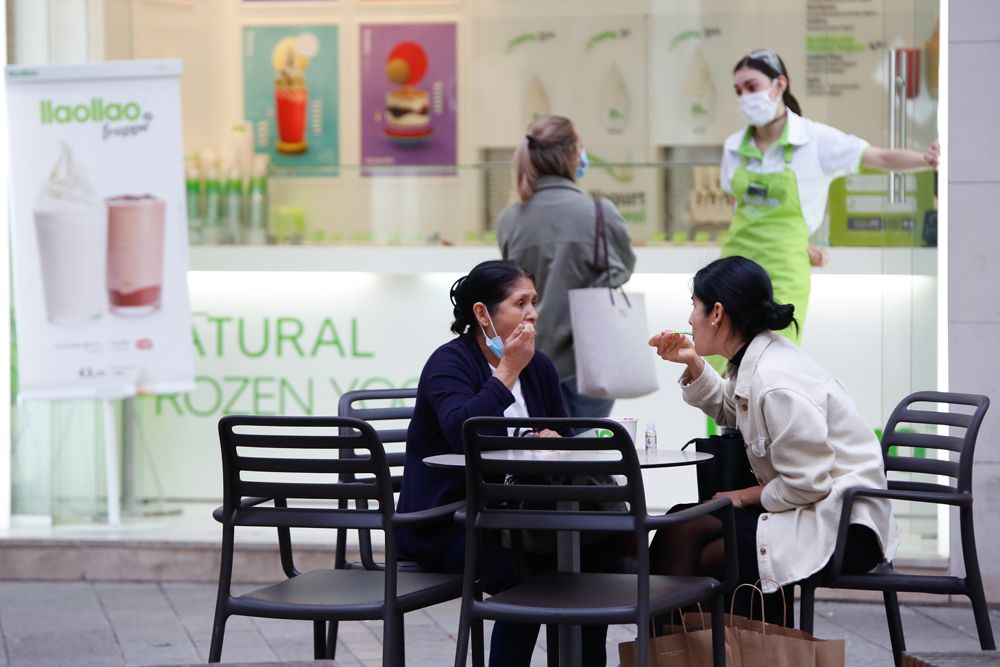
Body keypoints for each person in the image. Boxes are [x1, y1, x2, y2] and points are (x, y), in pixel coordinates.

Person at [647, 256, 900, 625]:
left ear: (717, 313)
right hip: (812, 509)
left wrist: (741, 496)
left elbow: (808, 484)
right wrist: (693, 364)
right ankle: (674, 652)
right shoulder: (758, 358)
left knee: (706, 546)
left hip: (845, 525)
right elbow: (734, 411)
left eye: (694, 307)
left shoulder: (774, 381)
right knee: (681, 523)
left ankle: (670, 651)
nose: (689, 320)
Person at [396, 259, 618, 667]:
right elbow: (463, 434)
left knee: (598, 560)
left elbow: (563, 437)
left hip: (523, 513)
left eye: (534, 301)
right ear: (482, 313)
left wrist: (555, 441)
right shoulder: (450, 364)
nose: (532, 312)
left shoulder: (540, 366)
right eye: (520, 303)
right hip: (451, 521)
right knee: (531, 570)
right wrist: (507, 371)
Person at [721, 48, 939, 344]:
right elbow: (738, 211)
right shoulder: (733, 146)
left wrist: (925, 160)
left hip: (784, 272)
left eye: (752, 87)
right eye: (738, 90)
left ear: (780, 85)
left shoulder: (815, 140)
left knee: (773, 363)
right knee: (722, 365)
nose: (745, 97)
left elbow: (881, 158)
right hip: (733, 270)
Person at [497, 114, 636, 418]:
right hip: (590, 358)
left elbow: (508, 284)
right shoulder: (599, 213)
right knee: (585, 452)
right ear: (572, 153)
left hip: (529, 356)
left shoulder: (510, 220)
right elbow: (623, 268)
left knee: (542, 452)